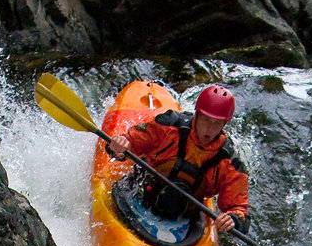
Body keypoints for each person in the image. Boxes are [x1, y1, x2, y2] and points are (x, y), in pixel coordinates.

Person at [105, 84, 248, 236]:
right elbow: (131, 143)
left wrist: (232, 219)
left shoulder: (230, 161)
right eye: (206, 120)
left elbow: (239, 210)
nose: (209, 129)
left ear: (224, 124)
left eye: (216, 123)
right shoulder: (169, 125)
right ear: (197, 115)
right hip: (141, 192)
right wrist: (121, 146)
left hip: (184, 213)